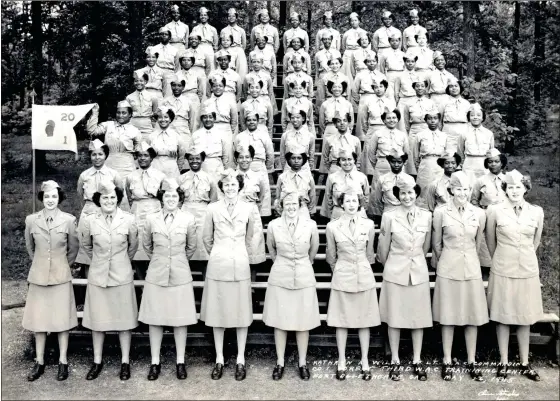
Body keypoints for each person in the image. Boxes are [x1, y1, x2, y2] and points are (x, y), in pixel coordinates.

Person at [201, 169, 266, 381]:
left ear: (239, 186)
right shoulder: (212, 208)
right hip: (218, 264)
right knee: (217, 314)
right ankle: (219, 358)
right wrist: (221, 253)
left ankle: (240, 359)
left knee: (241, 314)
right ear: (221, 188)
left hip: (239, 263)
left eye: (233, 184)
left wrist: (238, 253)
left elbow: (251, 238)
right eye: (226, 185)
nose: (230, 188)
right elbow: (207, 239)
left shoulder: (248, 208)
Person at [486, 170, 544, 381]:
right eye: (510, 187)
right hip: (503, 267)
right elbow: (490, 241)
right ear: (505, 189)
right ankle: (503, 362)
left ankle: (524, 363)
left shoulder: (536, 212)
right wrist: (504, 258)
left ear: (526, 189)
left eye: (518, 187)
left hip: (527, 268)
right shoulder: (495, 210)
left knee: (524, 316)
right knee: (503, 315)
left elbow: (535, 242)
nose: (514, 191)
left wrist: (523, 257)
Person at [139, 177, 198, 381]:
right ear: (161, 198)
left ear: (179, 198)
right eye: (167, 195)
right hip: (156, 274)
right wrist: (161, 260)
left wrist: (177, 261)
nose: (171, 198)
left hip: (180, 274)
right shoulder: (151, 219)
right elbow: (147, 246)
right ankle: (155, 362)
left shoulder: (188, 219)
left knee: (180, 320)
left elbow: (191, 247)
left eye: (174, 195)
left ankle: (180, 361)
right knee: (155, 320)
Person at [432, 171, 488, 382]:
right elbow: (436, 244)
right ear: (451, 190)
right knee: (448, 315)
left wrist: (468, 260)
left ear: (470, 191)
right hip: (448, 267)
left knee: (471, 316)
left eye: (466, 189)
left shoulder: (479, 213)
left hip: (471, 268)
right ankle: (447, 360)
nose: (462, 193)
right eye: (458, 189)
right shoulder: (441, 212)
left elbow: (479, 243)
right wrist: (448, 259)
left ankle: (472, 361)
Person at [80, 182, 139, 381]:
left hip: (121, 275)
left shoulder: (129, 220)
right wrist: (100, 262)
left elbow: (133, 247)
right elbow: (87, 247)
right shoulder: (90, 221)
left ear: (118, 199)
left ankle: (125, 361)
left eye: (113, 197)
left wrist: (120, 263)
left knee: (124, 322)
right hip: (98, 276)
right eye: (105, 198)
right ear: (99, 200)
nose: (109, 201)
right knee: (98, 321)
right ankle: (97, 361)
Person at [377, 175, 432, 381]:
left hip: (417, 271)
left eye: (410, 192)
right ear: (397, 195)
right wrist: (393, 264)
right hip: (395, 270)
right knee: (395, 318)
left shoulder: (426, 216)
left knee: (419, 318)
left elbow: (425, 246)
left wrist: (415, 259)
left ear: (416, 194)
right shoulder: (389, 216)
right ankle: (395, 360)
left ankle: (417, 360)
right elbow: (383, 248)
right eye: (403, 193)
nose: (407, 196)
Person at [23, 181, 79, 382]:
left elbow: (73, 248)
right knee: (39, 322)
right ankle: (39, 362)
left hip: (60, 276)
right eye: (47, 197)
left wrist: (63, 264)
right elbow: (30, 247)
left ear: (59, 198)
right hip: (38, 277)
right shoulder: (31, 220)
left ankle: (63, 361)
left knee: (62, 321)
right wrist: (39, 264)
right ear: (42, 198)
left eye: (54, 197)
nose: (50, 200)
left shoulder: (68, 220)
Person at [263, 191, 320, 381]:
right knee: (280, 321)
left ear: (300, 205)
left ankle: (302, 363)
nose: (290, 207)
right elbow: (272, 250)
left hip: (304, 274)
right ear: (281, 206)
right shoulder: (273, 225)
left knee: (303, 322)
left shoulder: (310, 225)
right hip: (281, 274)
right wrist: (283, 264)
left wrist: (303, 264)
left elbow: (313, 250)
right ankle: (280, 362)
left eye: (294, 203)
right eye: (287, 204)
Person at [326, 188, 379, 381]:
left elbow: (370, 253)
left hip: (364, 276)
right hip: (343, 276)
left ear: (359, 203)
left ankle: (365, 361)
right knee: (342, 321)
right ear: (342, 203)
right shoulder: (333, 226)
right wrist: (341, 271)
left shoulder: (369, 224)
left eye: (354, 201)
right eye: (347, 201)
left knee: (364, 320)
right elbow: (331, 256)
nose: (351, 204)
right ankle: (341, 361)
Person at [86, 100, 142, 212]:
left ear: (130, 114)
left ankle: (124, 221)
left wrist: (136, 169)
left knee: (125, 194)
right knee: (107, 191)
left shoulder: (135, 131)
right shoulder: (108, 125)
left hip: (127, 165)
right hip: (109, 163)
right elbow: (91, 131)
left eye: (124, 113)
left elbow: (139, 151)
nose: (120, 115)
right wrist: (95, 112)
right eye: (118, 112)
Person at [76, 139, 124, 266]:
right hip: (89, 210)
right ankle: (88, 278)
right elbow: (80, 195)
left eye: (100, 154)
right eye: (94, 154)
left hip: (108, 211)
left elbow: (119, 194)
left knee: (106, 243)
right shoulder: (84, 175)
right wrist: (87, 209)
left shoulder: (113, 174)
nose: (97, 157)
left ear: (106, 156)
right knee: (86, 245)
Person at [125, 142, 165, 263]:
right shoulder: (131, 176)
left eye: (146, 155)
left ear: (152, 158)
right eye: (140, 155)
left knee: (154, 239)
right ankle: (140, 275)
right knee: (138, 241)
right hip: (137, 209)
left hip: (154, 208)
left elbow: (164, 197)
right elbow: (129, 196)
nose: (142, 158)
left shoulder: (160, 176)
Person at [179, 142, 219, 262]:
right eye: (191, 159)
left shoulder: (209, 179)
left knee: (202, 242)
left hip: (203, 211)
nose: (194, 161)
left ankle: (204, 275)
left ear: (202, 160)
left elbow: (213, 200)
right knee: (186, 241)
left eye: (197, 158)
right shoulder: (181, 178)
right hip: (186, 210)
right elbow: (179, 200)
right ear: (187, 160)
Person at [400, 79, 437, 176]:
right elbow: (406, 121)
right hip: (414, 129)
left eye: (422, 86)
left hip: (427, 128)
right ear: (414, 88)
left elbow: (434, 118)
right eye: (417, 86)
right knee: (413, 152)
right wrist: (411, 131)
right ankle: (413, 175)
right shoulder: (408, 103)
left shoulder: (431, 102)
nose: (420, 88)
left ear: (426, 88)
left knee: (426, 150)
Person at [234, 110, 275, 195]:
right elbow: (235, 154)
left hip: (259, 166)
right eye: (249, 120)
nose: (251, 122)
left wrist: (265, 167)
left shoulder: (264, 136)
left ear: (257, 121)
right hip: (243, 167)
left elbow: (270, 154)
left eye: (254, 120)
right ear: (245, 122)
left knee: (263, 193)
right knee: (243, 192)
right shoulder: (239, 137)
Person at [365, 108, 410, 186]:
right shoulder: (377, 134)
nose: (391, 120)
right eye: (388, 118)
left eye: (394, 118)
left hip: (398, 167)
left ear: (397, 119)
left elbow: (406, 153)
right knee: (379, 189)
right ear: (384, 120)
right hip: (382, 167)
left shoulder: (402, 135)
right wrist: (380, 164)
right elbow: (371, 153)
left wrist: (400, 164)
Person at [360, 80, 395, 177]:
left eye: (381, 86)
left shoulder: (390, 102)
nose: (378, 89)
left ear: (385, 88)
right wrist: (370, 130)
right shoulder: (368, 102)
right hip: (372, 129)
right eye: (376, 87)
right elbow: (364, 120)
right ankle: (369, 177)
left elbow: (394, 118)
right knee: (369, 153)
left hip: (386, 129)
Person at [368, 149, 414, 223]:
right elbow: (378, 200)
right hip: (388, 213)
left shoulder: (410, 179)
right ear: (389, 161)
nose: (396, 165)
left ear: (404, 162)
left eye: (399, 162)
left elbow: (412, 200)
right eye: (393, 162)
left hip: (404, 214)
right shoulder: (382, 179)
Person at [323, 148, 369, 220]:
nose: (347, 162)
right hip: (338, 214)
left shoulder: (362, 177)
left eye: (350, 159)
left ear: (354, 160)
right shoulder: (332, 177)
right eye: (343, 160)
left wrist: (360, 209)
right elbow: (328, 198)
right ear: (339, 162)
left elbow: (366, 197)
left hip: (358, 214)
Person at [414, 108, 449, 205]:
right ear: (425, 120)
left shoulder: (444, 136)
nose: (432, 121)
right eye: (429, 118)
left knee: (440, 189)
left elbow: (447, 153)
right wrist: (420, 167)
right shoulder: (420, 135)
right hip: (426, 165)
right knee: (424, 190)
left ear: (439, 120)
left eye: (435, 118)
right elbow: (415, 156)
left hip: (440, 166)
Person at [189, 103, 229, 184]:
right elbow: (191, 153)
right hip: (201, 166)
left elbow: (226, 155)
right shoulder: (196, 134)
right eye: (205, 117)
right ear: (201, 119)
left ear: (214, 118)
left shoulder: (221, 134)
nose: (208, 119)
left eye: (210, 117)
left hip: (216, 167)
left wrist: (224, 170)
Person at [203, 78, 239, 167]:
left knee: (227, 153)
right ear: (211, 88)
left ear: (224, 87)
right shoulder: (206, 103)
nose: (217, 88)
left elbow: (234, 120)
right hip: (211, 128)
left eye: (220, 86)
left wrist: (230, 131)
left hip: (225, 129)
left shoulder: (230, 102)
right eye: (214, 86)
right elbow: (202, 118)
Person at [351, 51, 387, 139]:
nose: (372, 63)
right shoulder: (360, 75)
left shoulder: (381, 75)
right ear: (365, 63)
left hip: (377, 98)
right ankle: (363, 139)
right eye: (369, 61)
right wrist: (360, 101)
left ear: (377, 62)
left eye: (374, 61)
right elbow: (355, 91)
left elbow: (385, 89)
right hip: (365, 97)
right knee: (363, 121)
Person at [275, 147, 317, 219]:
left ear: (303, 160)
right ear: (289, 160)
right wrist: (280, 211)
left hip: (303, 209)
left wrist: (310, 212)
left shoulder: (308, 177)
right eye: (293, 158)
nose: (296, 161)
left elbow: (312, 196)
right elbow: (278, 198)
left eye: (299, 158)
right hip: (287, 209)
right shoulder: (282, 177)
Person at [457, 103, 495, 180]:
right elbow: (460, 152)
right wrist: (462, 165)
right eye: (472, 115)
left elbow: (491, 152)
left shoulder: (488, 133)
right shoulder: (463, 133)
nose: (475, 117)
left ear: (482, 117)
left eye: (478, 115)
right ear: (468, 117)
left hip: (484, 165)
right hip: (469, 165)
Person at [148, 107, 187, 179]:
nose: (163, 120)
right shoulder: (151, 136)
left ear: (170, 119)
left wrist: (178, 168)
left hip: (171, 169)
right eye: (160, 117)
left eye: (166, 117)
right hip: (155, 167)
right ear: (157, 119)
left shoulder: (176, 136)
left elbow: (181, 155)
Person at [235, 144, 270, 219]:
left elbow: (261, 197)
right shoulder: (232, 176)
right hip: (236, 215)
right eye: (241, 157)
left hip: (253, 215)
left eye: (247, 157)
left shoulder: (258, 177)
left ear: (251, 159)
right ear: (237, 159)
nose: (244, 160)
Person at [160, 74, 199, 139]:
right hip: (169, 131)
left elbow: (192, 120)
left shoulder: (188, 102)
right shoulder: (165, 102)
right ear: (171, 86)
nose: (176, 88)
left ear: (183, 87)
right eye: (174, 85)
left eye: (179, 85)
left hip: (184, 132)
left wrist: (191, 134)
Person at [175, 49, 207, 120]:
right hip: (182, 96)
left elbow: (200, 90)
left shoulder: (197, 74)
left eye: (189, 60)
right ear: (180, 62)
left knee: (194, 119)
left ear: (192, 62)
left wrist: (199, 99)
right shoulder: (177, 75)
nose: (186, 62)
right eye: (184, 60)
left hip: (193, 97)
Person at [126, 71, 158, 141]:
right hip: (133, 124)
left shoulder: (153, 96)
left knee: (147, 145)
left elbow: (155, 113)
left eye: (141, 81)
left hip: (147, 124)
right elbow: (128, 114)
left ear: (146, 82)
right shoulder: (129, 97)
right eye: (136, 81)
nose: (138, 83)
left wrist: (153, 126)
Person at [441, 77, 471, 151]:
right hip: (448, 132)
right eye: (451, 86)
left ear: (460, 88)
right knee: (449, 155)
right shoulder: (443, 102)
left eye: (456, 86)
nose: (453, 88)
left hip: (463, 131)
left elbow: (470, 120)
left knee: (463, 155)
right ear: (448, 89)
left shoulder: (466, 103)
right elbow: (439, 120)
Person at [151, 27, 178, 98]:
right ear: (159, 36)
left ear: (169, 37)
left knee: (168, 96)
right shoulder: (153, 49)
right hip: (157, 73)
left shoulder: (175, 50)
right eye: (162, 34)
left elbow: (177, 66)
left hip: (170, 73)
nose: (164, 36)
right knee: (156, 95)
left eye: (166, 34)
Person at [221, 8, 248, 80]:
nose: (231, 18)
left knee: (241, 69)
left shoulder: (241, 30)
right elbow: (221, 43)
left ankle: (241, 85)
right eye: (229, 16)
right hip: (228, 50)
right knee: (229, 68)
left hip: (239, 49)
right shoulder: (223, 30)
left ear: (236, 17)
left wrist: (240, 51)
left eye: (233, 16)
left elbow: (244, 43)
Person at [341, 12, 370, 80]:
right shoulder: (346, 33)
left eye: (355, 20)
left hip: (359, 54)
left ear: (359, 21)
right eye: (352, 21)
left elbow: (368, 46)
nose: (354, 22)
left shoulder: (364, 32)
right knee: (348, 74)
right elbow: (343, 46)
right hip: (348, 54)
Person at [378, 33, 405, 100]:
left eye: (396, 41)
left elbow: (405, 67)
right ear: (389, 42)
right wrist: (383, 77)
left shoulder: (403, 54)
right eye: (392, 41)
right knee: (390, 94)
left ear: (399, 42)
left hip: (401, 74)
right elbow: (381, 67)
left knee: (400, 93)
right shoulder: (385, 54)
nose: (394, 42)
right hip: (390, 75)